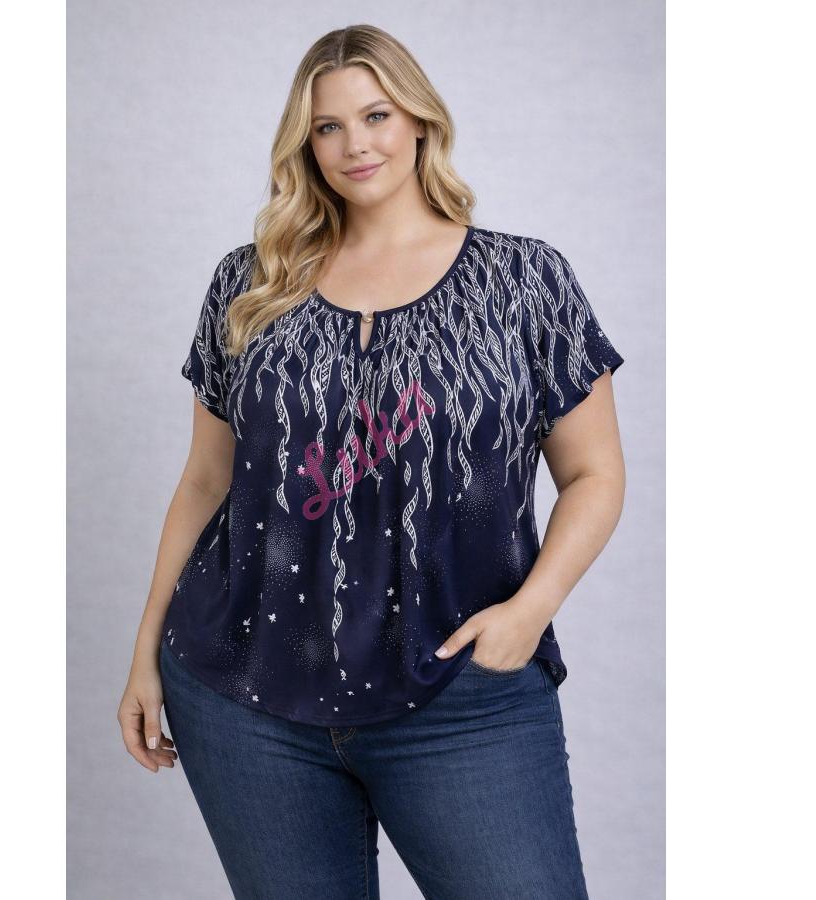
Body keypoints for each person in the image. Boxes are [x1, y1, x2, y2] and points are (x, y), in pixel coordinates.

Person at [117, 23, 625, 900]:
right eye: (329, 126)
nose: (356, 144)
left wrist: (529, 612)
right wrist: (142, 653)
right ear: (305, 144)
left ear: (421, 120)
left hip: (462, 691)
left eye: (377, 115)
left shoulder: (523, 281)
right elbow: (205, 481)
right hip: (246, 699)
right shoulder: (251, 284)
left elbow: (595, 475)